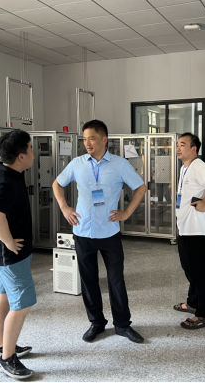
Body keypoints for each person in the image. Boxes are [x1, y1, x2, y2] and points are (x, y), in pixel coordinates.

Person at [53, 120, 147, 344]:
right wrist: (64, 207)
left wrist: (127, 213)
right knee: (88, 281)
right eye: (85, 139)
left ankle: (122, 325)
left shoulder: (120, 164)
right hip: (83, 231)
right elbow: (57, 184)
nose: (87, 143)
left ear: (104, 139)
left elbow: (141, 187)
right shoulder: (77, 164)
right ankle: (96, 323)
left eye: (92, 138)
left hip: (109, 232)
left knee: (116, 280)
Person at [0, 130, 36, 380]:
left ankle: (1, 346)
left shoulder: (9, 172)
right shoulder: (6, 182)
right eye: (30, 148)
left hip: (5, 254)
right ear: (21, 155)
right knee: (23, 303)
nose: (33, 152)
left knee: (3, 296)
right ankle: (7, 359)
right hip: (11, 256)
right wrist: (8, 242)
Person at [173, 133, 205, 330]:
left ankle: (204, 313)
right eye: (177, 144)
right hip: (185, 227)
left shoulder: (198, 166)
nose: (178, 148)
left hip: (196, 229)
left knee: (198, 271)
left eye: (182, 144)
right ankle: (193, 302)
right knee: (189, 268)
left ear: (194, 149)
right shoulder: (185, 167)